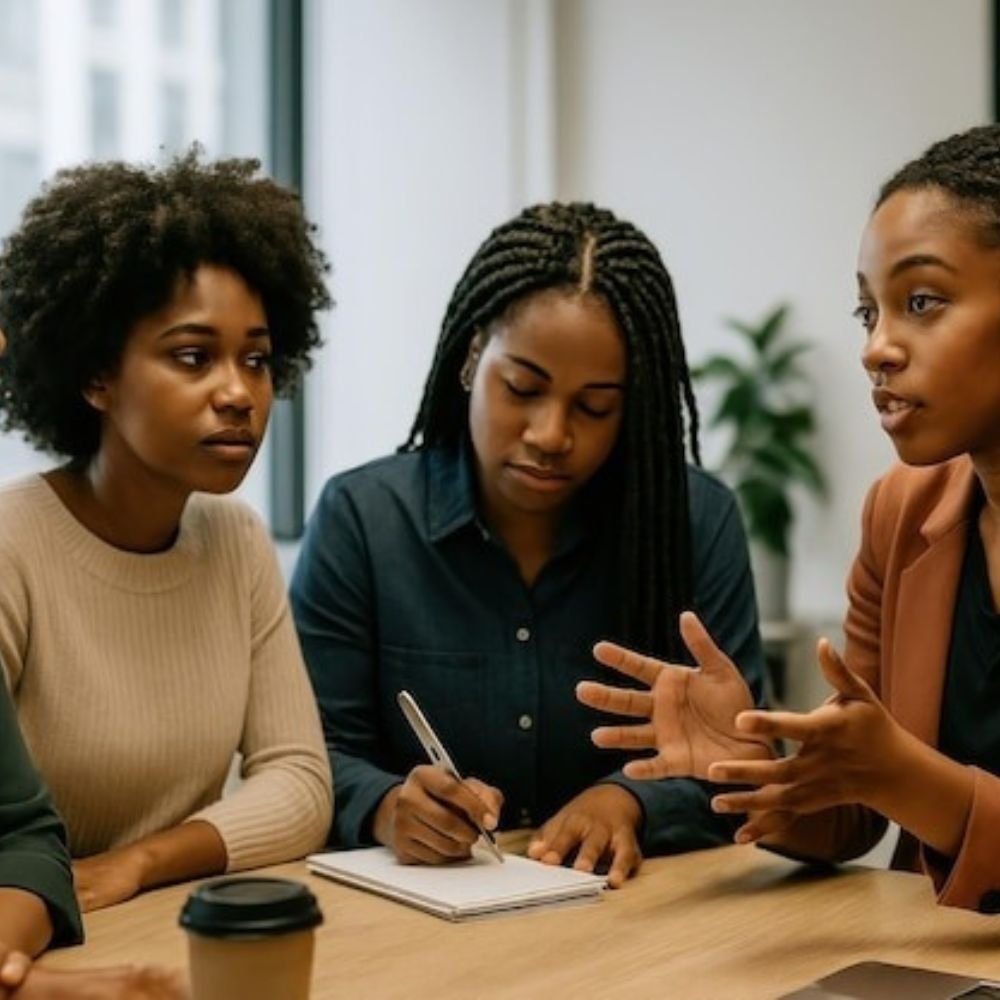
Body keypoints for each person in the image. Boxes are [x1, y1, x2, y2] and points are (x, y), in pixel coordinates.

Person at [577, 123, 1000, 913]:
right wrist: (750, 762)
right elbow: (851, 814)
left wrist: (908, 778)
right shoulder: (900, 511)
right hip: (935, 959)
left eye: (921, 302)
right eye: (868, 312)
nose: (878, 347)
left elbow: (897, 782)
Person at [291, 202, 766, 888]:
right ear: (471, 359)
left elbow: (740, 758)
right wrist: (388, 806)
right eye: (522, 388)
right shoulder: (364, 520)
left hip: (637, 916)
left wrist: (630, 802)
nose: (550, 434)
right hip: (416, 918)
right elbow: (310, 755)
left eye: (594, 406)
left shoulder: (697, 523)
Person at [0, 151, 333, 913]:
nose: (239, 393)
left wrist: (139, 863)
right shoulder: (12, 547)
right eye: (193, 357)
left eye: (256, 360)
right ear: (97, 376)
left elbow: (300, 784)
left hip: (169, 917)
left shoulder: (237, 541)